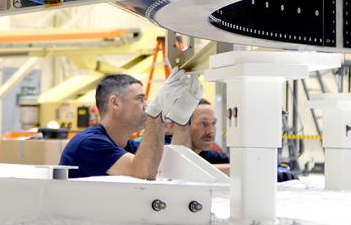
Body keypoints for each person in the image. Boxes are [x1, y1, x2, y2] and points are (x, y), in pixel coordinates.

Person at [59, 71, 201, 178]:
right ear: (115, 103)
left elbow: (173, 168)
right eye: (140, 100)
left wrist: (182, 121)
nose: (146, 107)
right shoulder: (89, 144)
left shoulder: (131, 148)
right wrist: (156, 113)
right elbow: (144, 173)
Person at [172, 99, 230, 171]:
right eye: (203, 123)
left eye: (213, 123)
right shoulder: (164, 150)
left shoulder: (212, 156)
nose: (210, 131)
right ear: (184, 125)